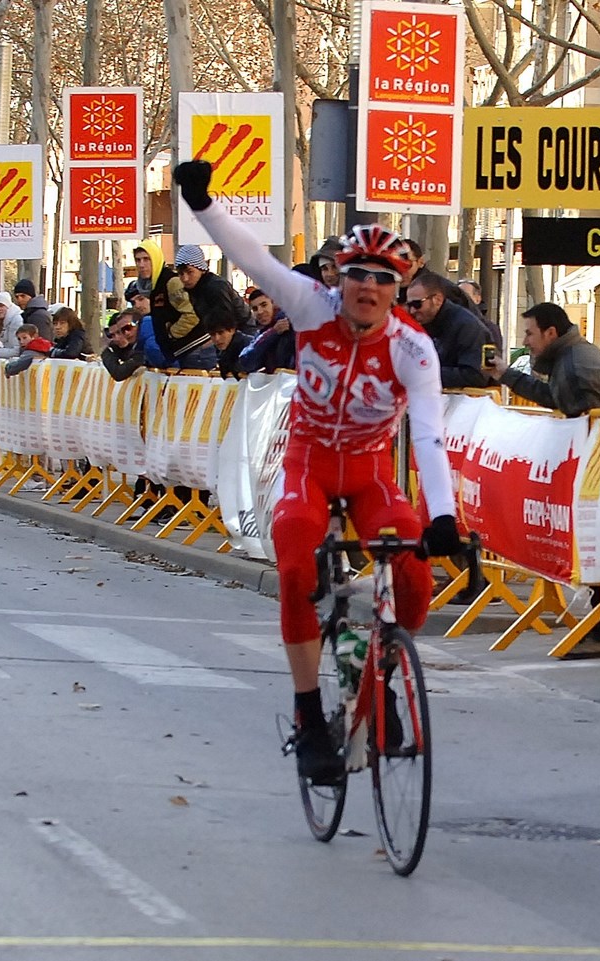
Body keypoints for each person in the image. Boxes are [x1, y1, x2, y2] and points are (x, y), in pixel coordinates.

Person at [174, 159, 462, 785]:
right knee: (298, 563)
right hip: (307, 464)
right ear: (340, 279)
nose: (367, 286)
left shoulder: (414, 348)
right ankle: (308, 716)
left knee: (414, 574)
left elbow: (432, 437)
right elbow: (256, 262)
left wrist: (442, 516)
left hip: (367, 474)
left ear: (398, 289)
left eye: (382, 279)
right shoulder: (311, 306)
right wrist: (204, 206)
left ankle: (381, 675)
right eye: (357, 274)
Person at [490, 302, 600, 657]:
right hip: (598, 469)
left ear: (551, 333)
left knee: (595, 543)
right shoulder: (571, 359)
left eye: (530, 334)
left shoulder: (577, 364)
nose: (526, 341)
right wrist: (507, 375)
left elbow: (585, 419)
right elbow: (556, 399)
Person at [131, 239, 215, 370]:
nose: (142, 265)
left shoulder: (171, 282)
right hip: (181, 351)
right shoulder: (154, 286)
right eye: (138, 260)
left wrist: (171, 334)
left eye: (147, 259)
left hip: (194, 350)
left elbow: (192, 315)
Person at [405, 270, 489, 389]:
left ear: (437, 300)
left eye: (417, 304)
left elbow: (476, 376)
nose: (413, 310)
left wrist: (424, 372)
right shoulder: (423, 325)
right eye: (409, 305)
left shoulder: (467, 326)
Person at [174, 244, 252, 335]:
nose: (185, 278)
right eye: (181, 274)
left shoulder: (215, 287)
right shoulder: (195, 289)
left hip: (244, 332)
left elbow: (225, 323)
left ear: (202, 269)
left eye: (190, 272)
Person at [126, 288, 173, 370]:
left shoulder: (149, 322)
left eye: (141, 299)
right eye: (133, 303)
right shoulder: (143, 322)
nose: (137, 305)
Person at [100, 310, 145, 382]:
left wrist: (106, 353)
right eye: (112, 335)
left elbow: (119, 373)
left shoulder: (142, 348)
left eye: (128, 328)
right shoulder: (115, 348)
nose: (116, 338)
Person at [0, 291, 24, 359]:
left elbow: (17, 351)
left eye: (1, 305)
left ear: (8, 307)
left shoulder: (16, 321)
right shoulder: (3, 323)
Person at [211, 313, 252, 379]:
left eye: (221, 333)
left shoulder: (249, 346)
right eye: (212, 334)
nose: (217, 338)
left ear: (232, 330)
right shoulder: (222, 351)